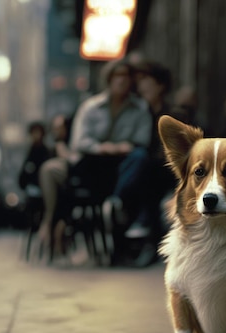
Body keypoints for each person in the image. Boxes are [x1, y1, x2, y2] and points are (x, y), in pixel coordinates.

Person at [37, 59, 153, 259]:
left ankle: (116, 203)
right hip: (92, 166)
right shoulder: (91, 107)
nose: (122, 81)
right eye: (117, 76)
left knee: (140, 158)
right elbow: (80, 142)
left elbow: (142, 141)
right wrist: (103, 148)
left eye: (126, 76)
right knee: (55, 171)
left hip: (122, 167)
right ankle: (53, 223)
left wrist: (119, 149)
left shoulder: (140, 108)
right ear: (109, 79)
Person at [124, 61, 176, 266]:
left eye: (147, 80)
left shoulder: (173, 113)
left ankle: (145, 228)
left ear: (160, 85)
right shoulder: (138, 113)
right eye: (140, 81)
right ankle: (141, 234)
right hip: (147, 171)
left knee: (147, 176)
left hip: (168, 170)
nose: (141, 85)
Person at [18, 121, 51, 192]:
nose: (36, 135)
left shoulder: (46, 152)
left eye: (38, 132)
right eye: (33, 132)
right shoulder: (31, 151)